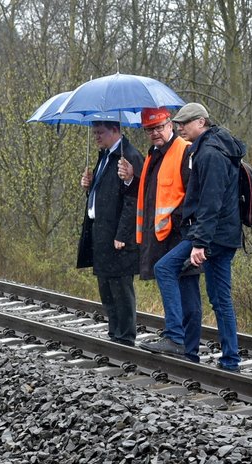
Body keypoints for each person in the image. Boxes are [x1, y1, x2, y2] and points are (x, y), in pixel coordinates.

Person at [140, 102, 245, 372]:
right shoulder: (219, 147)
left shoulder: (209, 153)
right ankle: (230, 360)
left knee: (164, 268)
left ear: (201, 122)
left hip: (211, 236)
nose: (180, 128)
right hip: (226, 236)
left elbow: (210, 204)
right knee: (220, 299)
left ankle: (175, 337)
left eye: (184, 123)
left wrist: (200, 244)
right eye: (178, 123)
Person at [119, 107, 203, 363]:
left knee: (188, 292)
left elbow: (192, 194)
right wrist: (132, 179)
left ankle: (181, 343)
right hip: (163, 237)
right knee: (184, 291)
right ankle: (188, 352)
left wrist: (181, 225)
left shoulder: (184, 150)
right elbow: (152, 195)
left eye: (159, 127)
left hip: (180, 235)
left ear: (170, 125)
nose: (155, 133)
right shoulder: (154, 154)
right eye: (149, 129)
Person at [77, 121, 144, 346]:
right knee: (106, 287)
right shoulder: (105, 156)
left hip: (118, 235)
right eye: (94, 133)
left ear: (115, 130)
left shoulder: (129, 156)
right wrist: (90, 186)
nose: (96, 137)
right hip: (101, 232)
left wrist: (123, 234)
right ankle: (114, 334)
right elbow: (106, 193)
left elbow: (132, 200)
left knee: (121, 288)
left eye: (100, 133)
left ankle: (125, 338)